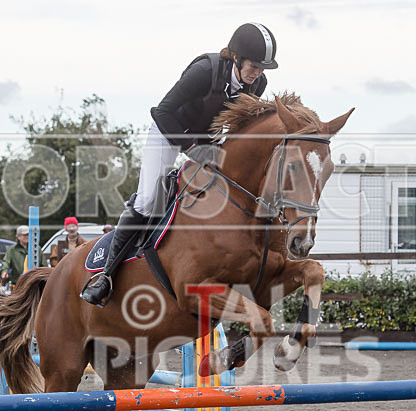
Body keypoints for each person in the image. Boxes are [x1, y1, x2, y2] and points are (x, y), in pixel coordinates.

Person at [81, 22, 278, 306]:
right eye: (254, 65)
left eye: (262, 68)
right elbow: (162, 111)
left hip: (208, 141)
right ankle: (105, 277)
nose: (257, 73)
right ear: (236, 57)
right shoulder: (205, 71)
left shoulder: (257, 84)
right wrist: (190, 147)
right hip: (168, 133)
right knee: (149, 201)